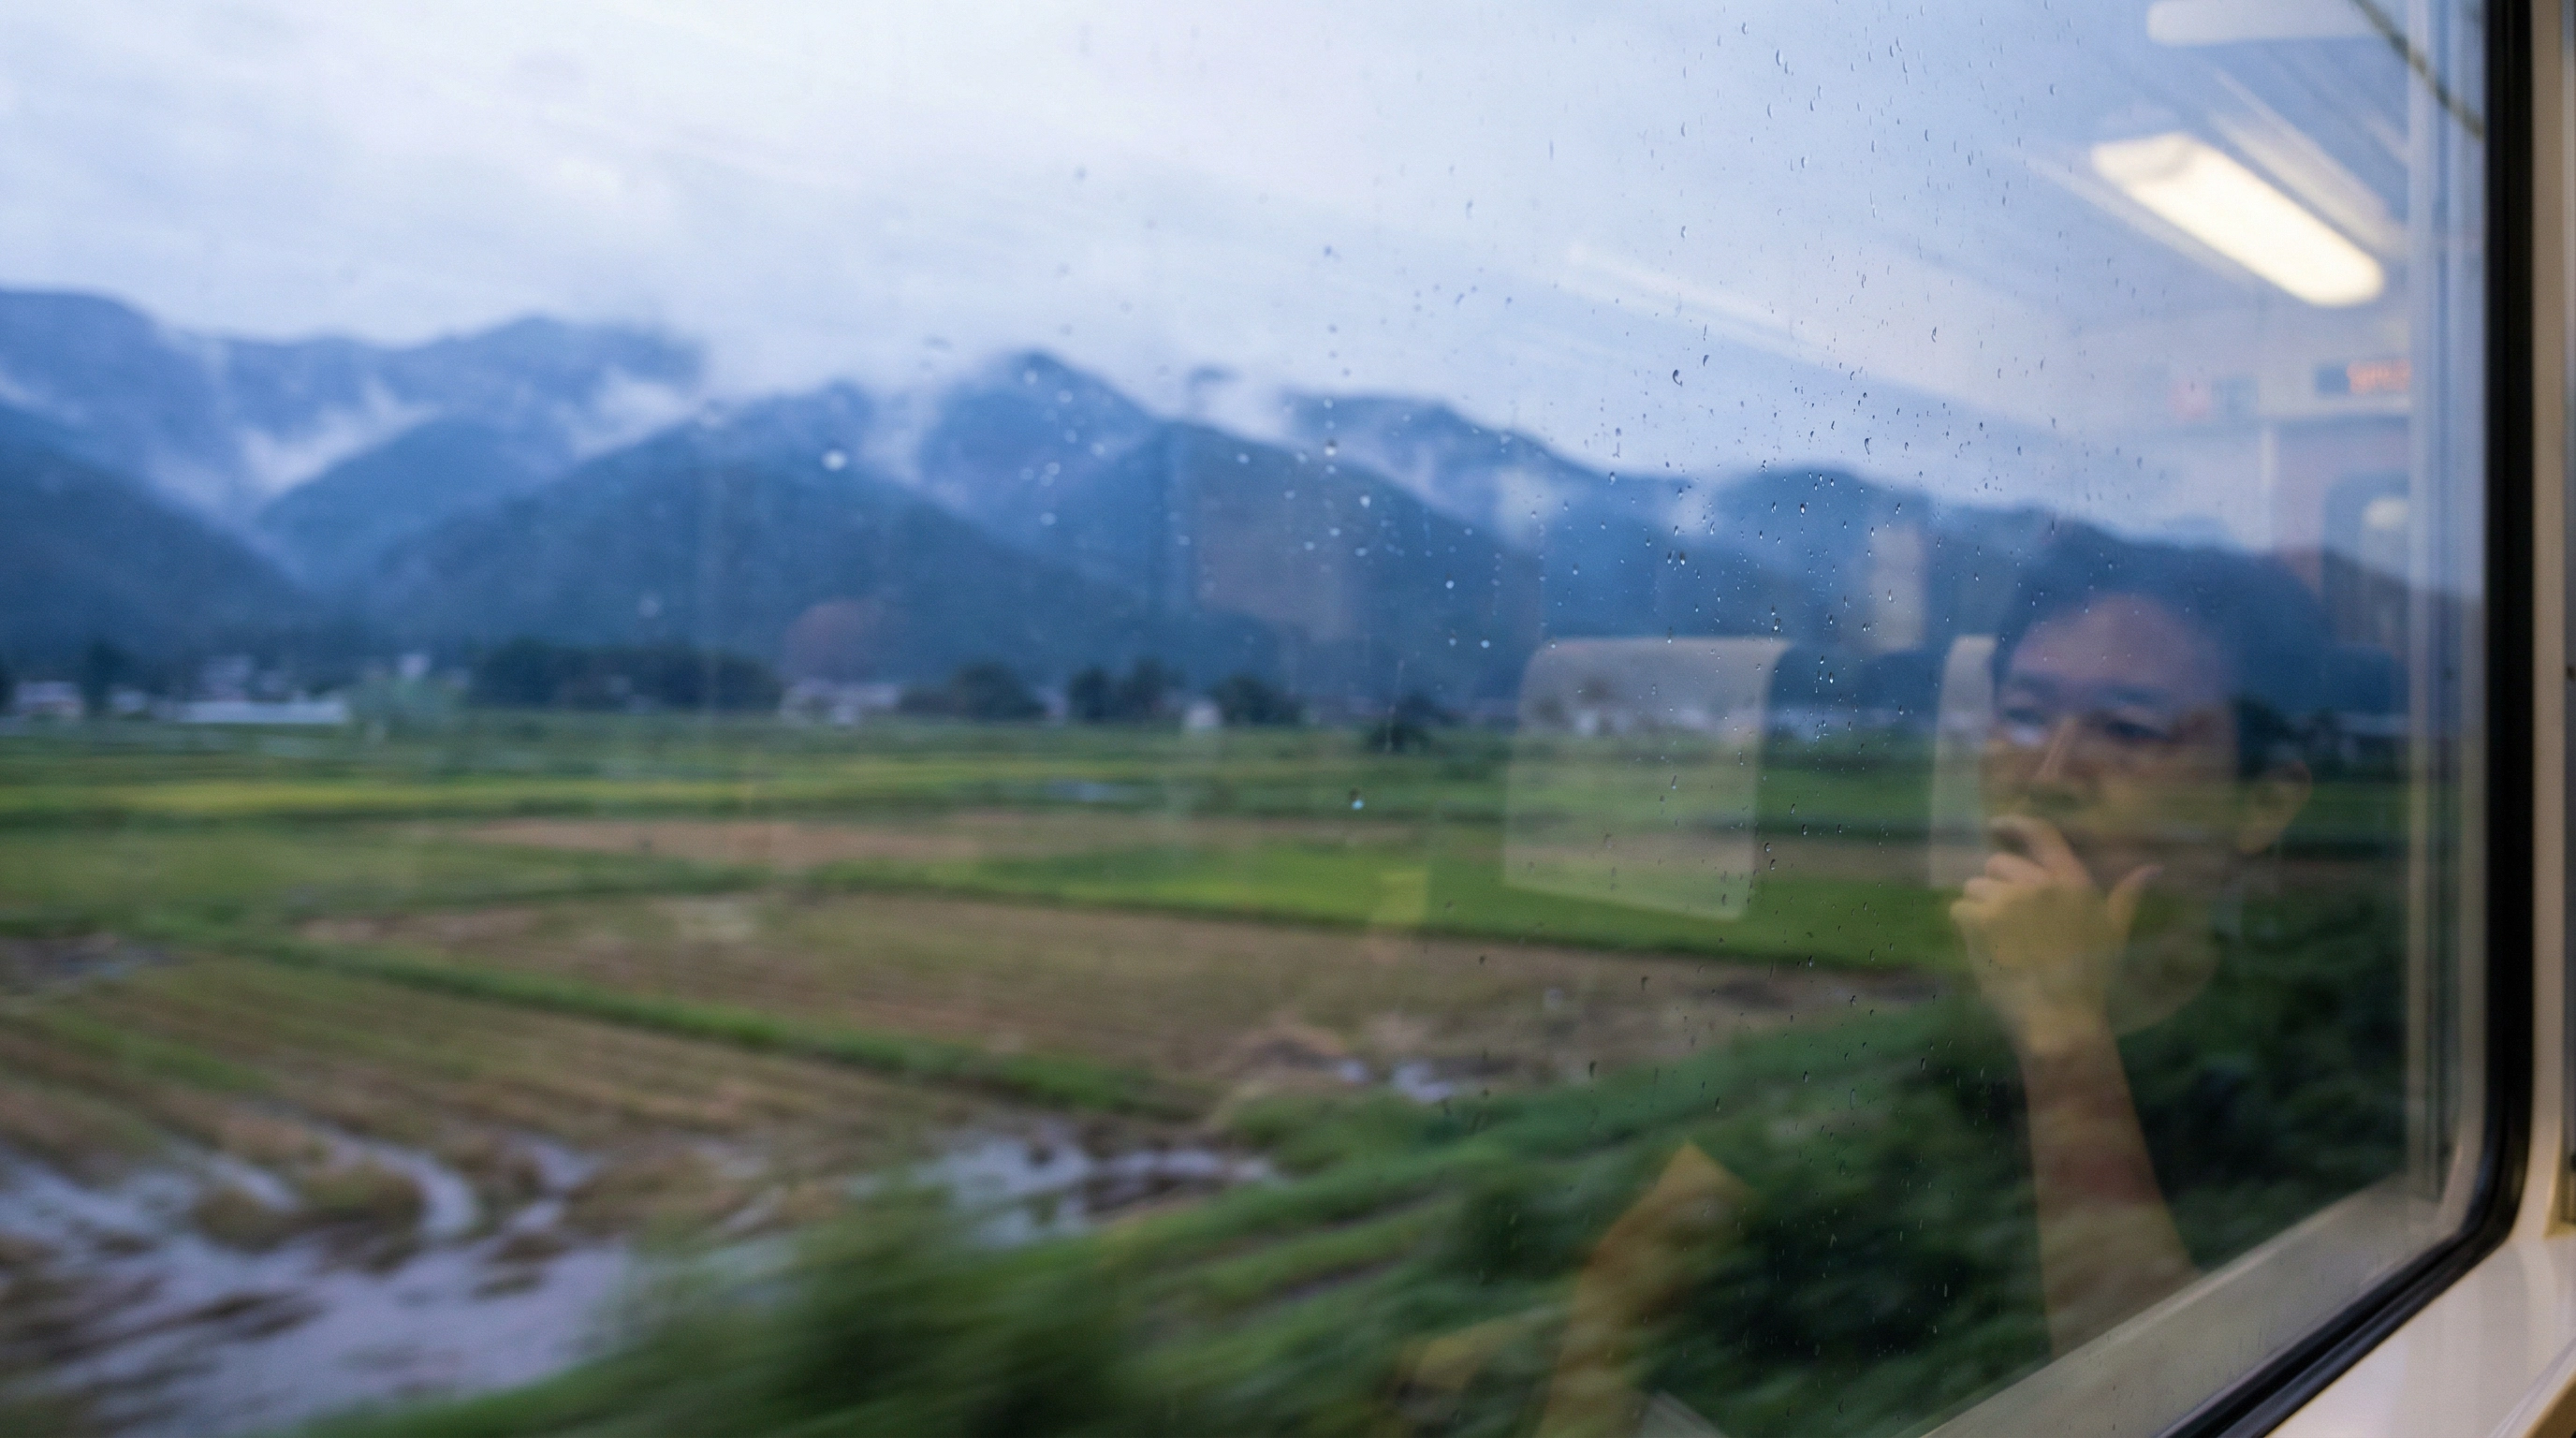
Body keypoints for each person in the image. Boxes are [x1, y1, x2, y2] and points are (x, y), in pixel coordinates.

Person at [1954, 528, 2337, 1354]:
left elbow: (2160, 1386)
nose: (2051, 774)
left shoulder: (2306, 1065)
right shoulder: (1906, 1023)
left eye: (2127, 730)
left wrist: (2064, 1037)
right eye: (2022, 716)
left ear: (2261, 805)